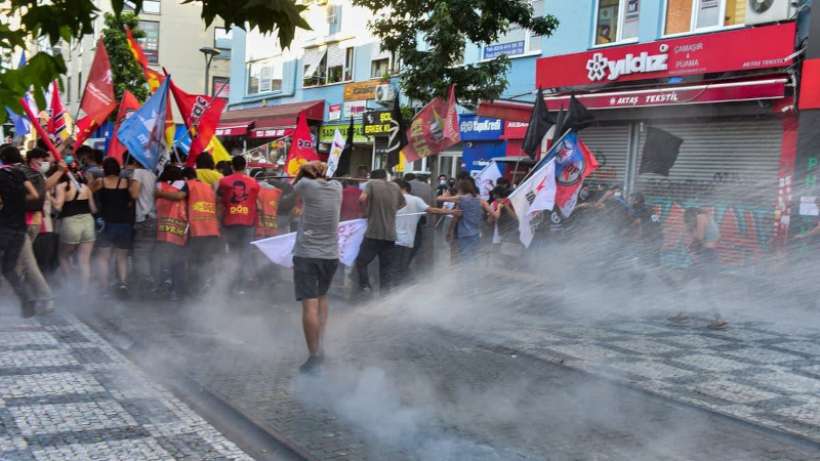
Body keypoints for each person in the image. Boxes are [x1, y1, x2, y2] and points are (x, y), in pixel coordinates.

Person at [291, 161, 342, 372]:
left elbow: (294, 185)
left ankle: (314, 356)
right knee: (322, 299)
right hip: (331, 255)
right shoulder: (337, 187)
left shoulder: (306, 185)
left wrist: (305, 169)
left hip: (307, 254)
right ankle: (321, 347)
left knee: (309, 305)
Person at [16, 148, 63, 313]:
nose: (44, 163)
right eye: (41, 160)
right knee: (20, 262)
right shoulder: (28, 173)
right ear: (31, 160)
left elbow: (41, 190)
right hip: (29, 222)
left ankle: (45, 297)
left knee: (27, 262)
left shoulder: (30, 174)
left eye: (45, 160)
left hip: (26, 223)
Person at [670, 207, 727, 330]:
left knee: (683, 284)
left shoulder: (700, 217)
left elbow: (699, 237)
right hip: (711, 256)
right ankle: (718, 318)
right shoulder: (710, 219)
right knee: (704, 289)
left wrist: (691, 232)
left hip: (706, 256)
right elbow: (717, 237)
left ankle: (684, 312)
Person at [0, 145, 40, 317]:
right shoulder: (19, 173)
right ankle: (26, 299)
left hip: (4, 226)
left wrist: (6, 203)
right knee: (8, 268)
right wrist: (18, 201)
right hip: (19, 227)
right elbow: (34, 195)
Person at [91, 157, 140, 294]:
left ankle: (104, 287)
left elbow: (87, 191)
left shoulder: (101, 182)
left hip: (107, 224)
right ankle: (123, 284)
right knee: (122, 257)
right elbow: (133, 198)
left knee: (103, 258)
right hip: (125, 224)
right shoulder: (126, 182)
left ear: (104, 169)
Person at [355, 169, 405, 293]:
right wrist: (390, 210)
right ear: (385, 177)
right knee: (385, 269)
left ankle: (365, 286)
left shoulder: (371, 184)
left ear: (373, 178)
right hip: (390, 236)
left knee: (361, 262)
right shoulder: (395, 186)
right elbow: (402, 204)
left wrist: (366, 212)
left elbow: (362, 199)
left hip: (373, 233)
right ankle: (385, 298)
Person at [394, 179, 453, 280]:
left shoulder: (394, 199)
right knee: (402, 267)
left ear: (401, 188)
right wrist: (449, 211)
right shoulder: (416, 200)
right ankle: (408, 286)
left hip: (394, 241)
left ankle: (402, 287)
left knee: (395, 268)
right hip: (408, 241)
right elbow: (432, 210)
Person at [217, 155, 260, 294]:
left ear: (232, 166)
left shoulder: (223, 181)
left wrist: (217, 221)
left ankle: (230, 283)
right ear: (245, 166)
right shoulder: (254, 183)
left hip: (230, 221)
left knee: (232, 253)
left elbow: (218, 201)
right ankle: (241, 285)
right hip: (248, 222)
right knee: (245, 255)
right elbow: (256, 203)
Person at [54, 170, 96, 293]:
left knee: (63, 256)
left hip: (71, 222)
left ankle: (70, 285)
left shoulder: (61, 187)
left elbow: (57, 207)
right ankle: (84, 290)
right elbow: (93, 209)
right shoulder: (85, 187)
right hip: (88, 222)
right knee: (84, 260)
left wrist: (49, 197)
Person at [154, 165, 189, 300]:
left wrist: (161, 194)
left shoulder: (158, 186)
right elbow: (181, 196)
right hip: (179, 228)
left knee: (163, 259)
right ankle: (177, 289)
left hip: (162, 228)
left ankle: (164, 286)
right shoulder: (183, 184)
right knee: (178, 260)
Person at [185, 166, 220, 293]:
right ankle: (208, 286)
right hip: (212, 228)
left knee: (194, 259)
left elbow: (180, 197)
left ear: (185, 178)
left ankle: (196, 287)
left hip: (197, 229)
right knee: (207, 259)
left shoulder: (188, 185)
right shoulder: (209, 187)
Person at [441, 179, 494, 262]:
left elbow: (455, 217)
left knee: (464, 255)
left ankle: (464, 272)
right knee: (473, 255)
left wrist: (449, 231)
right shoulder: (479, 201)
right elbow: (490, 214)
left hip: (464, 232)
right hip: (476, 233)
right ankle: (471, 271)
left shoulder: (462, 200)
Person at [127, 156, 158, 291]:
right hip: (153, 217)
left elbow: (134, 194)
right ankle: (150, 281)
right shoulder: (153, 174)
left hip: (144, 219)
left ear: (135, 162)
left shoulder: (138, 173)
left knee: (141, 253)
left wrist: (129, 185)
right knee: (149, 253)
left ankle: (146, 284)